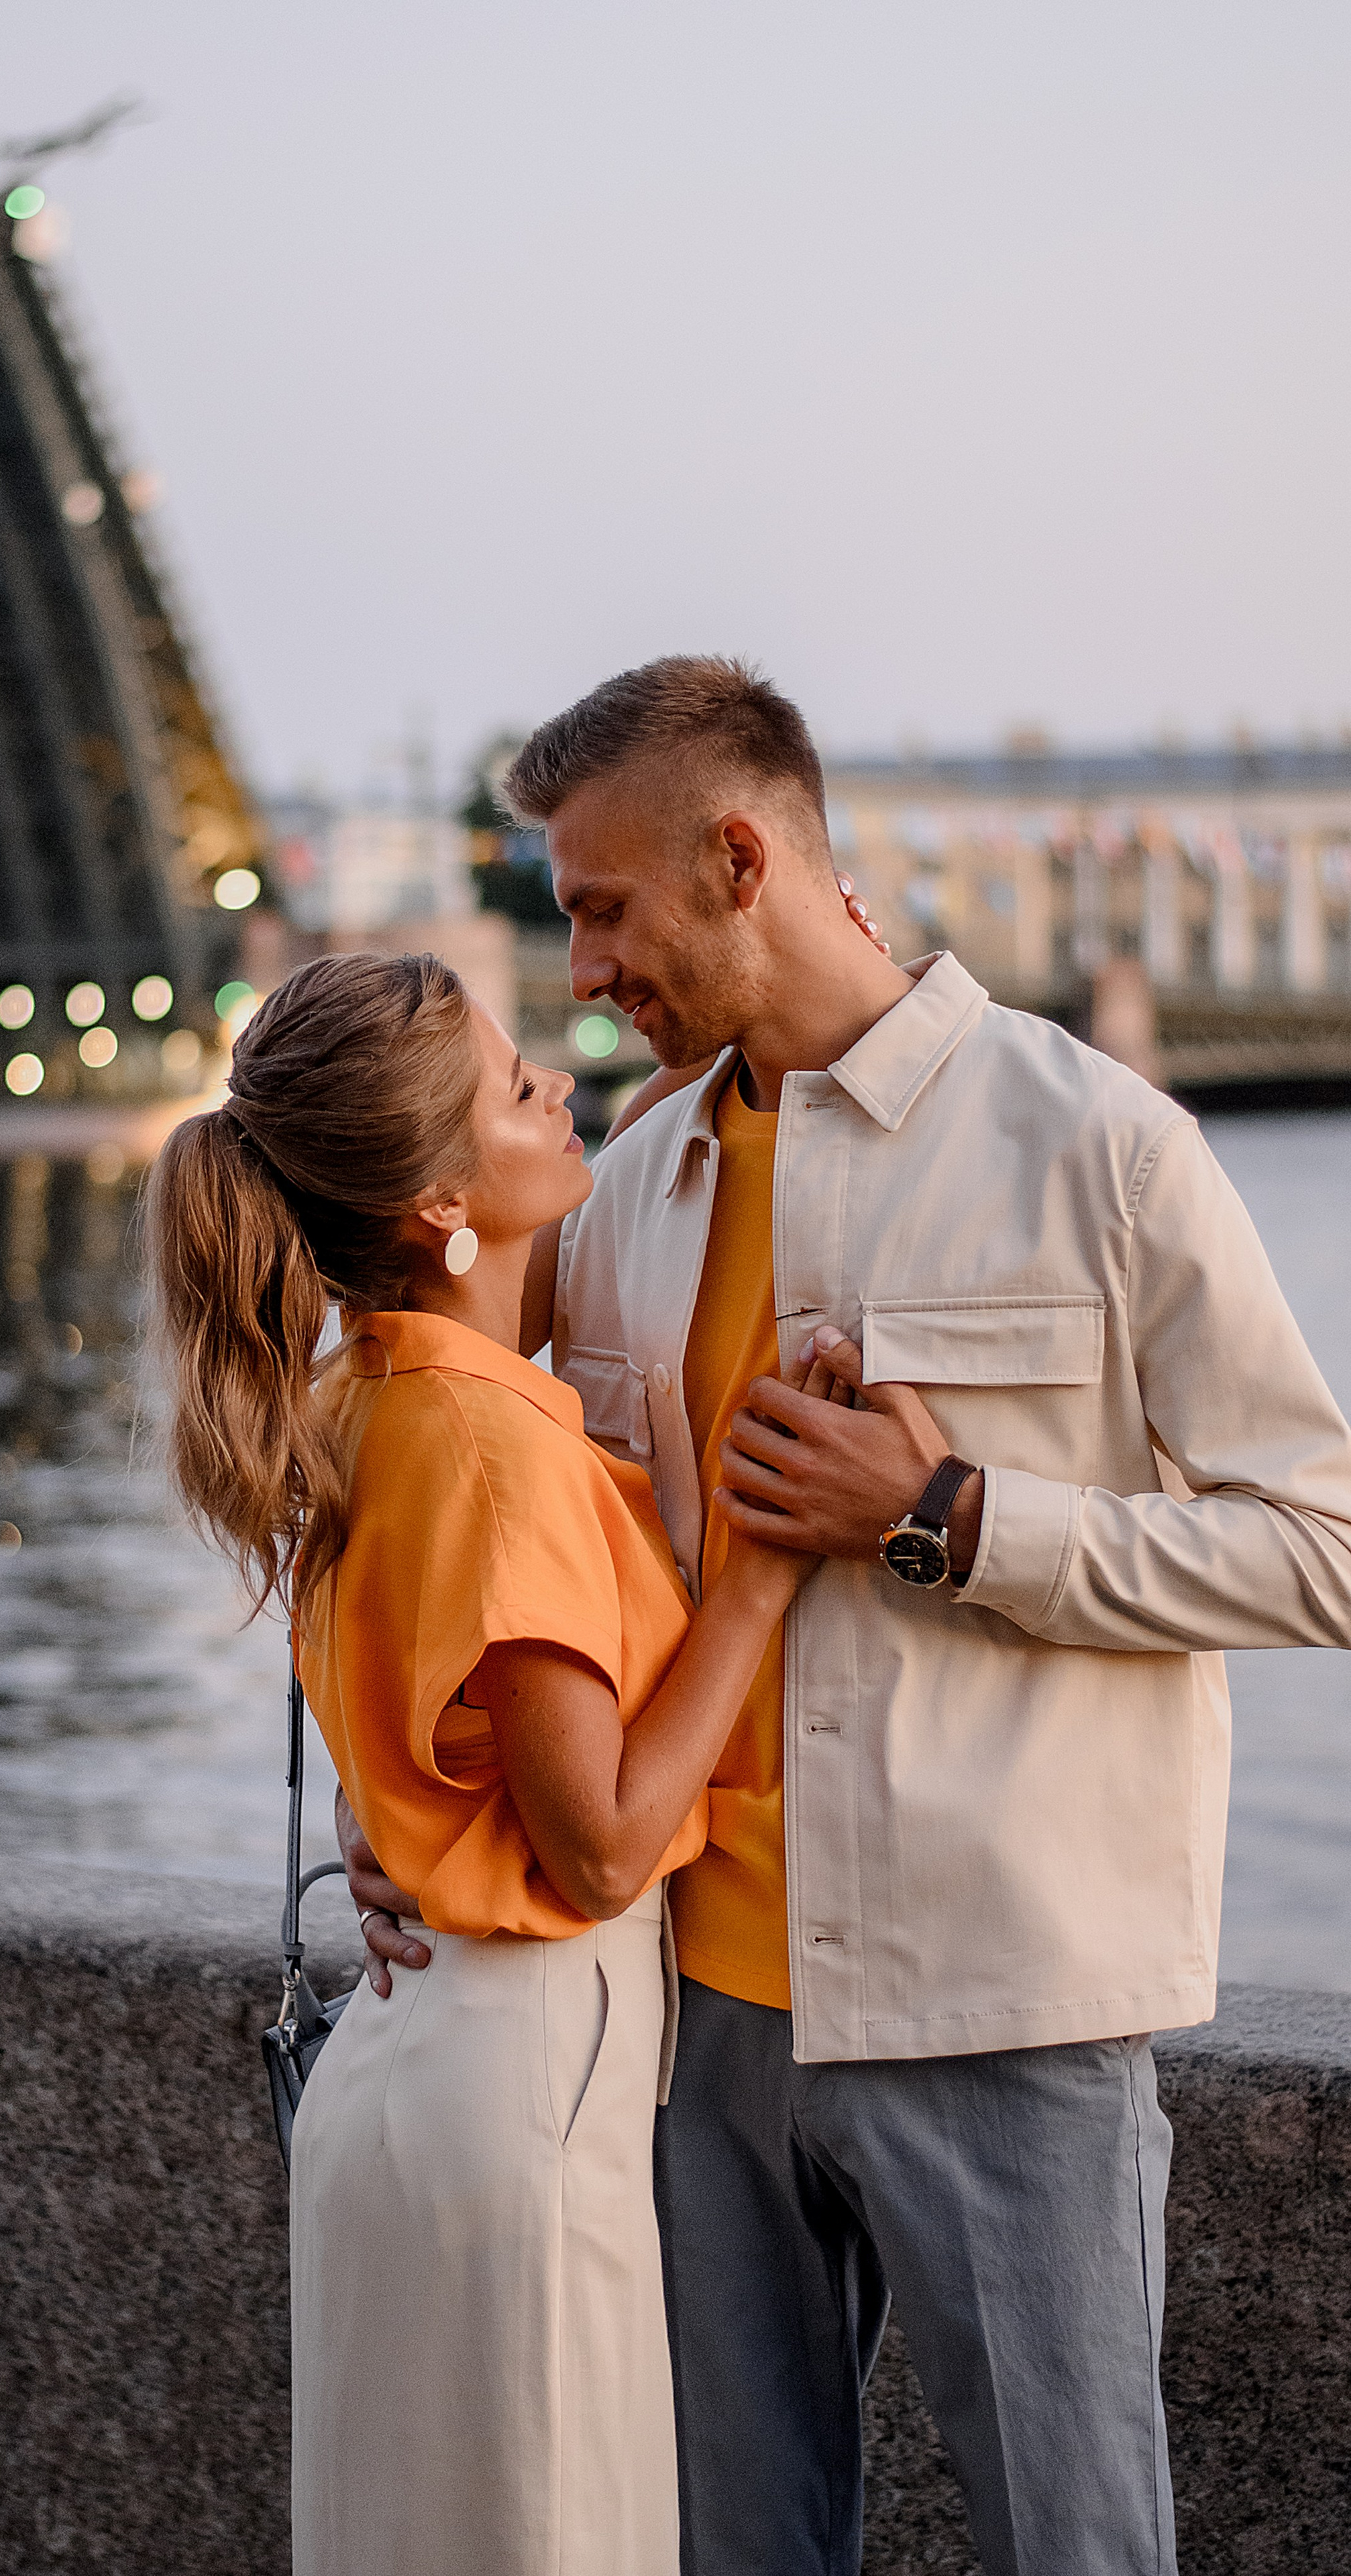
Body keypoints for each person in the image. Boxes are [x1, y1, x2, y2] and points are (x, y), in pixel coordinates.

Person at [344, 656, 1351, 2576]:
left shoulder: (1101, 1147)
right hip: (683, 2031)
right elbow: (442, 1511)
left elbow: (1325, 1546)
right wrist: (387, 1821)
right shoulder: (623, 1192)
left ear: (740, 857)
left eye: (602, 908)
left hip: (1007, 2015)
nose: (584, 972)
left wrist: (953, 1520)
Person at [145, 949, 898, 2576]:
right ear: (436, 1201)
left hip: (420, 2067)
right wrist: (762, 1574)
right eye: (511, 1086)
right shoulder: (495, 1452)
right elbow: (606, 1846)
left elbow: (436, 1736)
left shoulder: (367, 1403)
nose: (555, 1083)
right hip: (526, 2094)